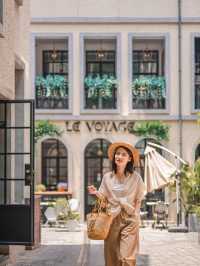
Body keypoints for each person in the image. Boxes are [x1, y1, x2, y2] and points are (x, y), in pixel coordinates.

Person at [88, 141, 146, 266]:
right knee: (111, 256)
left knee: (126, 257)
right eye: (117, 154)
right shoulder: (107, 177)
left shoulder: (136, 178)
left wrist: (136, 216)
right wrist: (96, 193)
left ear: (129, 158)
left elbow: (139, 199)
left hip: (130, 219)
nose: (119, 156)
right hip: (111, 219)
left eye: (123, 154)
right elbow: (104, 198)